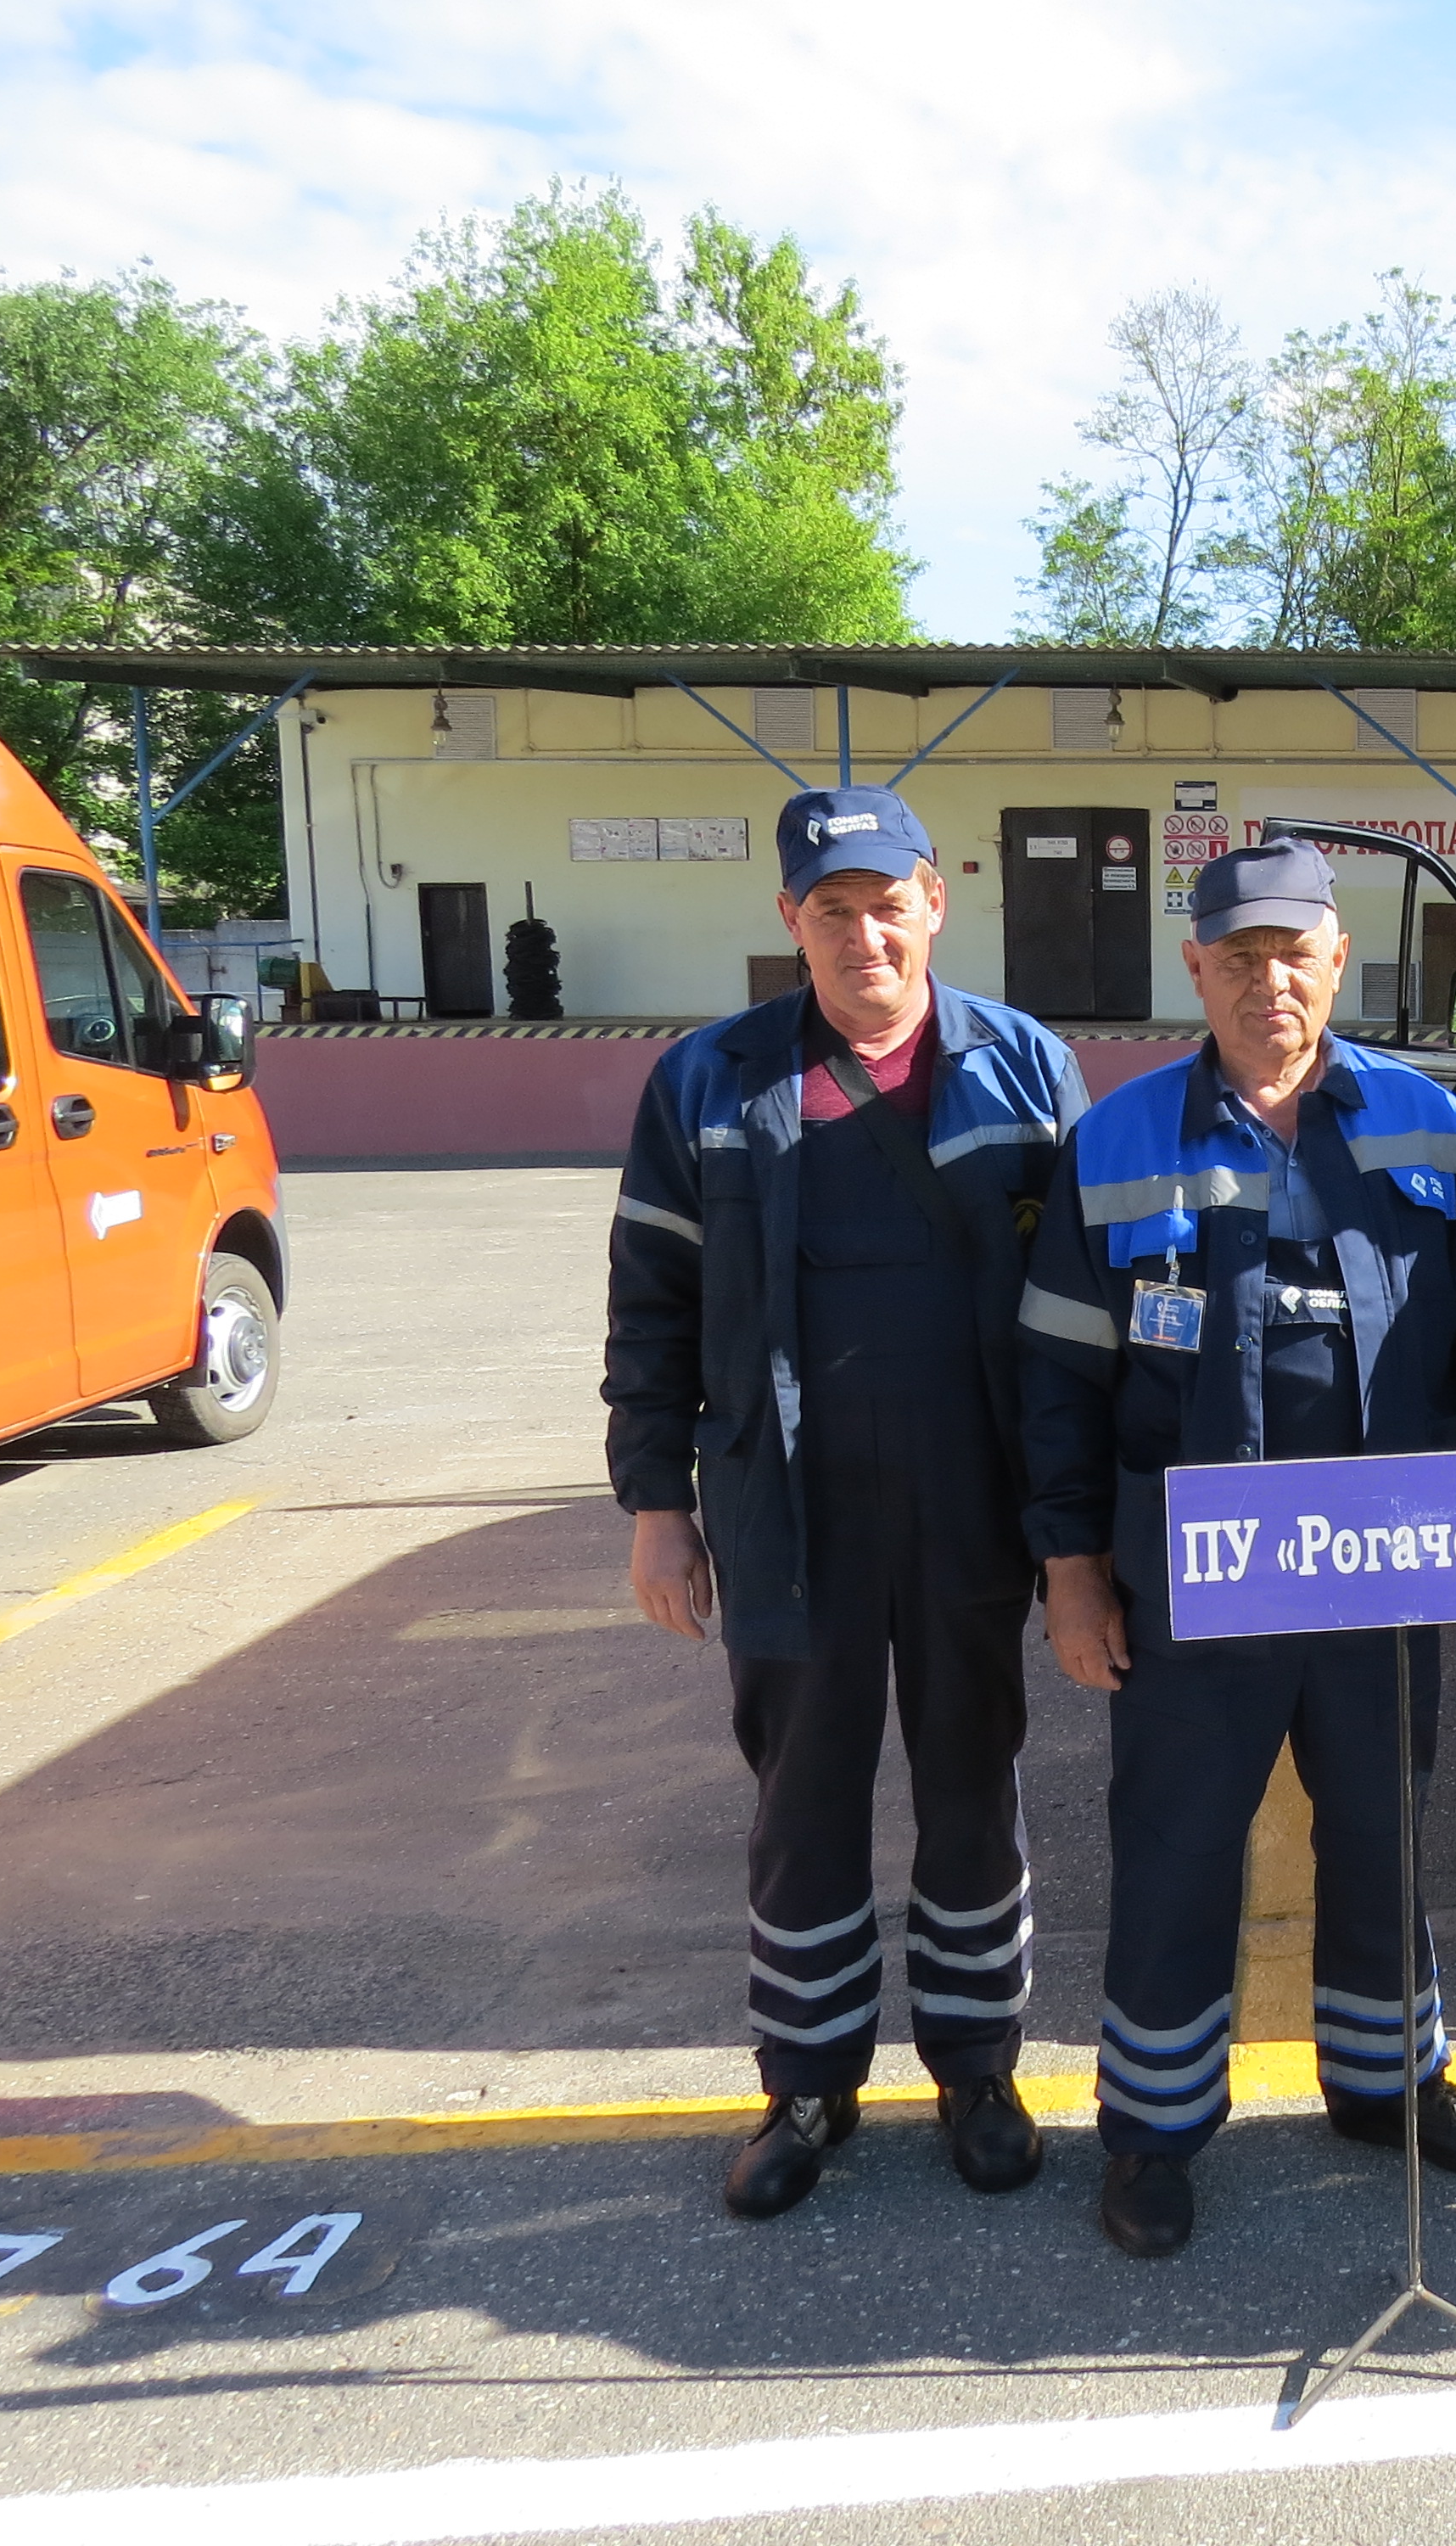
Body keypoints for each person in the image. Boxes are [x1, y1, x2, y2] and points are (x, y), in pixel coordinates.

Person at [1018, 838, 1456, 2260]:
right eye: (1237, 958)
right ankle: (1154, 2128)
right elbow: (1056, 1378)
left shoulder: (1428, 1125)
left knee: (1384, 1834)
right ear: (1195, 968)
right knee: (1177, 1846)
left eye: (1293, 953)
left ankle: (1390, 2085)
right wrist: (1070, 1566)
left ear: (1337, 959)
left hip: (1383, 1567)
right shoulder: (1119, 1143)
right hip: (1198, 1580)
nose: (1268, 983)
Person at [606, 785, 1087, 2220]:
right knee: (801, 1795)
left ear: (936, 901)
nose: (864, 933)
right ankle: (808, 2082)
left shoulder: (1027, 1069)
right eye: (833, 909)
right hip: (785, 1506)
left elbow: (1085, 1309)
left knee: (971, 1781)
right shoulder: (706, 1081)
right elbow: (652, 1303)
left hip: (969, 1493)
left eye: (888, 904)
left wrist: (1079, 1525)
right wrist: (656, 1504)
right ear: (790, 920)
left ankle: (977, 2068)